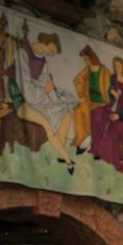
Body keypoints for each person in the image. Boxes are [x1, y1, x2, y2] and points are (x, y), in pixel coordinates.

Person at [5, 30, 79, 172]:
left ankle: (59, 156)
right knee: (47, 124)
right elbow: (28, 92)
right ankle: (69, 161)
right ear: (48, 42)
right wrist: (45, 90)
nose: (51, 54)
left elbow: (47, 86)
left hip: (38, 97)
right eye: (52, 50)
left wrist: (58, 101)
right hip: (22, 99)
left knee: (66, 115)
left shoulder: (43, 61)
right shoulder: (23, 53)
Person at [89, 56, 123, 173]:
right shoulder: (113, 79)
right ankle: (96, 148)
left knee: (112, 130)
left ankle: (114, 161)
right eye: (115, 66)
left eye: (119, 67)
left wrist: (120, 116)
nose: (116, 69)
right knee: (96, 114)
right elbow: (109, 91)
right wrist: (111, 91)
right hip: (112, 108)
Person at [72, 45, 111, 152]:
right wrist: (81, 95)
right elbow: (78, 79)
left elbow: (110, 89)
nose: (85, 62)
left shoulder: (105, 72)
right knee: (78, 111)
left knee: (97, 119)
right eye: (84, 60)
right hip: (89, 101)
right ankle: (80, 139)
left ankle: (91, 145)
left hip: (102, 104)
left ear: (91, 58)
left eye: (86, 59)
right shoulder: (87, 69)